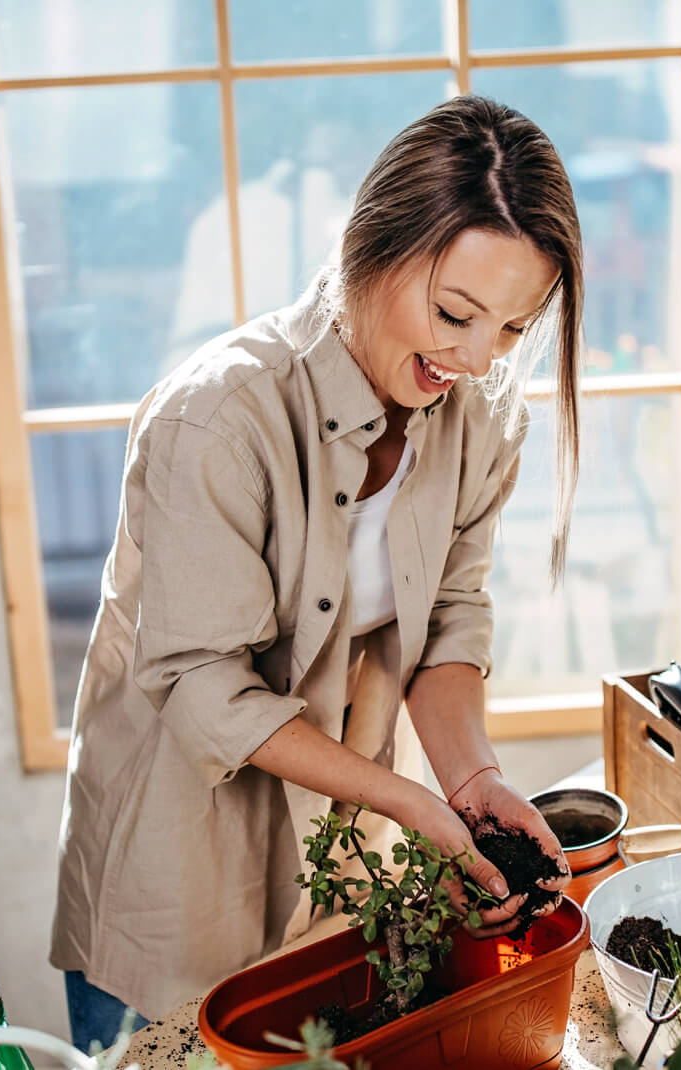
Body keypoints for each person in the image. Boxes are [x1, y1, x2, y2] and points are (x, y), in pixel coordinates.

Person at [50, 93, 585, 1053]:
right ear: (367, 248)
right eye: (455, 312)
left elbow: (451, 619)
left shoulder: (483, 417)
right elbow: (200, 680)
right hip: (181, 863)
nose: (474, 358)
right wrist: (409, 801)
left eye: (512, 329)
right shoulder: (218, 419)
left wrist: (471, 779)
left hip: (346, 864)